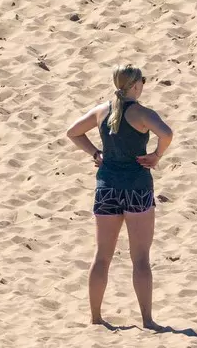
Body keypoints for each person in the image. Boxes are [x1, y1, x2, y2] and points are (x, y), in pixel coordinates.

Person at [65, 65, 173, 330]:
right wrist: (157, 155)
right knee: (140, 259)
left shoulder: (102, 110)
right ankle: (147, 319)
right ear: (135, 86)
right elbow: (167, 134)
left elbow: (73, 132)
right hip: (137, 187)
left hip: (107, 187)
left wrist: (95, 154)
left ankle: (95, 317)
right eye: (142, 82)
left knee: (102, 256)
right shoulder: (142, 113)